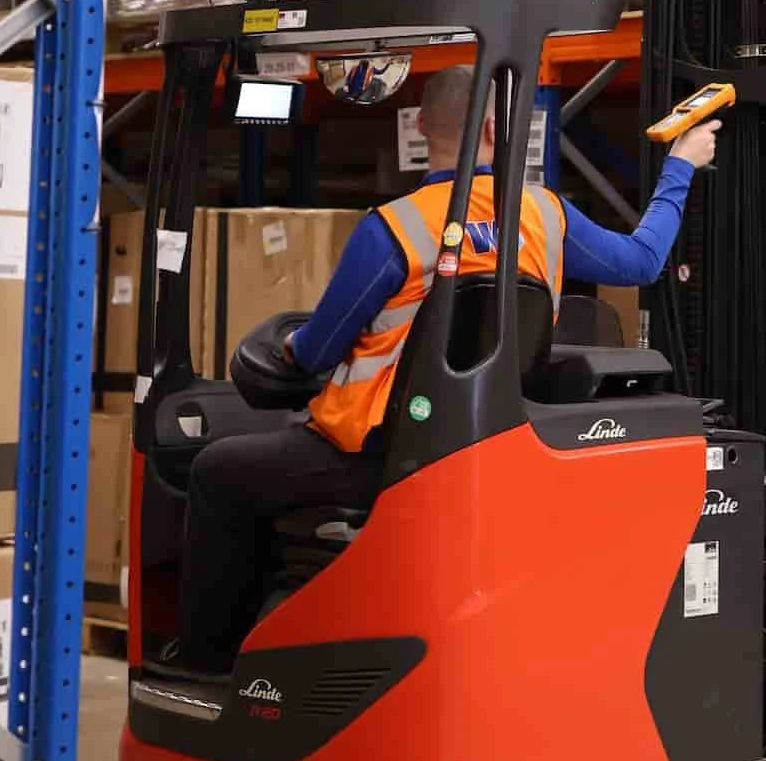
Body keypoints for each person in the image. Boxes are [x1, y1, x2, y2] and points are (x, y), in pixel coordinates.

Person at [173, 64, 722, 671]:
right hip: (493, 445)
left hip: (379, 457)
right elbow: (644, 260)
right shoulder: (543, 214)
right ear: (492, 129)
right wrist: (681, 165)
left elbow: (313, 354)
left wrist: (289, 347)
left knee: (217, 473)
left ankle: (208, 660)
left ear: (422, 126)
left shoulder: (394, 228)